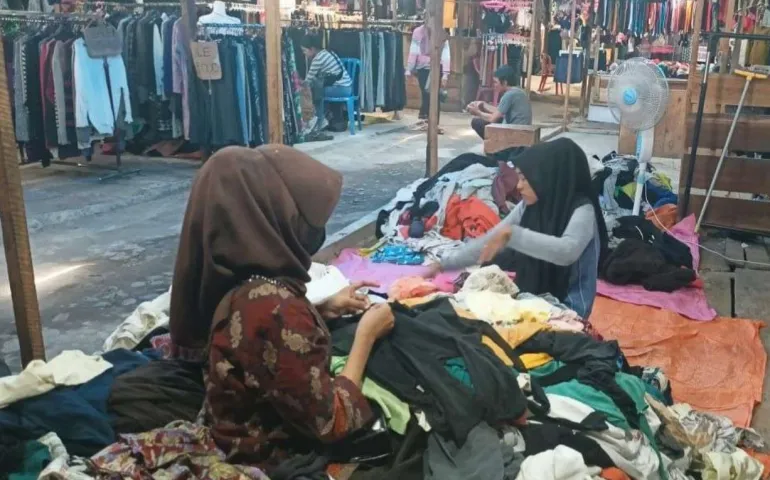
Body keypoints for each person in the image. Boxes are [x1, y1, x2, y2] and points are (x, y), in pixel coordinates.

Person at [168, 145, 395, 473]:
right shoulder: (274, 308)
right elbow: (331, 421)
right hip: (268, 459)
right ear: (267, 215)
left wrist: (319, 308)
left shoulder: (231, 274)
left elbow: (252, 337)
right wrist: (367, 335)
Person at [430, 139, 608, 319]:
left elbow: (566, 252)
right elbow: (492, 237)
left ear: (548, 177)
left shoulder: (583, 210)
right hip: (533, 300)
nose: (518, 186)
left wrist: (516, 236)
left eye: (525, 179)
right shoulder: (530, 205)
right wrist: (447, 263)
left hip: (569, 310)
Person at [406, 10, 450, 130]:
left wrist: (446, 74)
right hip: (423, 68)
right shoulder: (418, 32)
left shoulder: (441, 32)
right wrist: (409, 69)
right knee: (426, 94)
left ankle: (434, 123)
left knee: (435, 95)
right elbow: (414, 51)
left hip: (437, 66)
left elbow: (446, 53)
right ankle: (427, 121)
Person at [301, 35, 353, 134]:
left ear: (312, 49)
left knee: (316, 92)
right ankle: (322, 119)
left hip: (340, 88)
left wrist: (299, 86)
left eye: (305, 51)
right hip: (347, 87)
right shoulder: (328, 52)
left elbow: (308, 80)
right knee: (318, 89)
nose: (304, 54)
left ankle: (319, 121)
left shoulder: (317, 59)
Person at [467, 65, 533, 139]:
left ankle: (494, 146)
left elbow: (493, 118)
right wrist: (483, 105)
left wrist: (477, 112)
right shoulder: (519, 91)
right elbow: (499, 111)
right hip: (520, 129)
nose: (494, 85)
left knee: (477, 122)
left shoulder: (509, 95)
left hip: (514, 132)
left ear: (504, 82)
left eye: (495, 82)